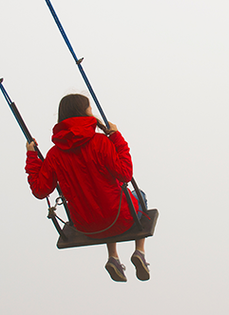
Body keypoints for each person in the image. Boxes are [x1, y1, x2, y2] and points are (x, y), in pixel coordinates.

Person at [24, 93, 149, 282]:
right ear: (83, 113)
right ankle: (139, 252)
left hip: (85, 226)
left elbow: (40, 190)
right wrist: (116, 138)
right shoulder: (101, 143)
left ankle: (113, 258)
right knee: (139, 196)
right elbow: (125, 174)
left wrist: (32, 156)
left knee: (101, 209)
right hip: (120, 218)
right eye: (90, 108)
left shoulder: (54, 155)